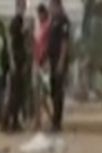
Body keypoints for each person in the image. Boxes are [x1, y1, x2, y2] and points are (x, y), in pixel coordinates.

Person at [3, 0, 31, 131]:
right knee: (14, 94)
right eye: (21, 5)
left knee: (19, 94)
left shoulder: (21, 22)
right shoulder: (16, 22)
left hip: (20, 61)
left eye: (24, 6)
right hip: (16, 62)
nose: (23, 8)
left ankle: (14, 121)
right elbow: (10, 42)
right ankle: (6, 121)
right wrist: (12, 61)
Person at [44, 0, 71, 132]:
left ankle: (57, 122)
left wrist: (61, 61)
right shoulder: (52, 21)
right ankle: (54, 120)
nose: (49, 9)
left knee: (58, 92)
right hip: (52, 60)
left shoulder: (63, 21)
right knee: (53, 91)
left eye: (51, 6)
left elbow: (65, 42)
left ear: (57, 6)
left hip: (59, 61)